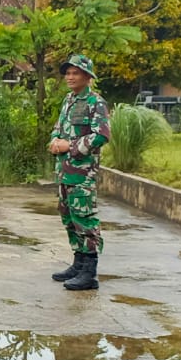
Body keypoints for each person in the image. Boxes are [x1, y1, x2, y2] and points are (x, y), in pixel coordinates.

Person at [49, 55, 111, 291]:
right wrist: (55, 141)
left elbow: (101, 135)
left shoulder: (96, 102)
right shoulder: (69, 100)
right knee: (68, 217)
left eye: (75, 73)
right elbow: (59, 127)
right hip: (64, 171)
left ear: (87, 76)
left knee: (85, 218)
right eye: (68, 73)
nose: (70, 77)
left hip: (82, 173)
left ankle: (89, 271)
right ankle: (78, 263)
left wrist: (71, 146)